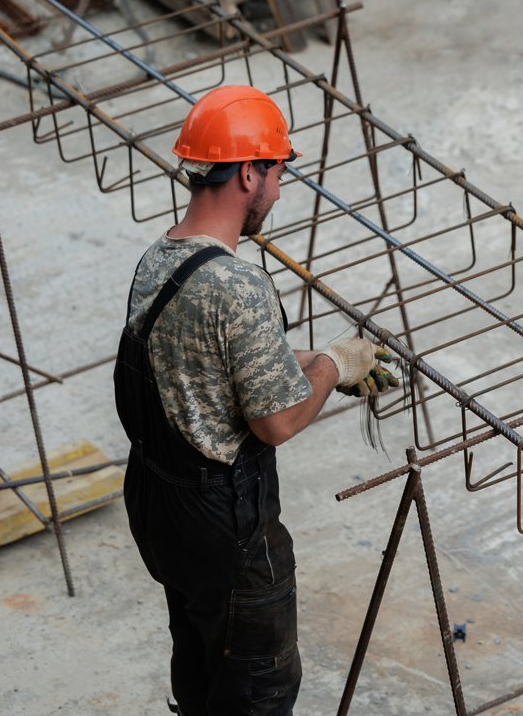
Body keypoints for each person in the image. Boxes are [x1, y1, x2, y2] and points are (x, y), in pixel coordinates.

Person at [113, 85, 397, 715]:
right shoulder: (238, 284)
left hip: (161, 510)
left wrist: (309, 364)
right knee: (257, 687)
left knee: (198, 660)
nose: (279, 189)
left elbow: (200, 363)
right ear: (249, 172)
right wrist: (330, 364)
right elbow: (275, 422)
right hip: (225, 527)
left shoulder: (158, 259)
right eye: (277, 172)